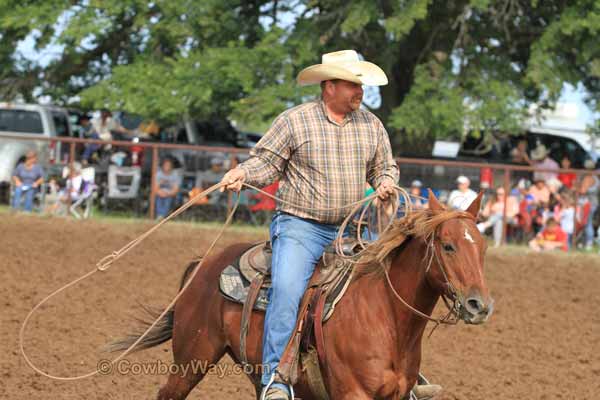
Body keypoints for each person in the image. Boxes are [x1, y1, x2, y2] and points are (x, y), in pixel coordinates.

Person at [219, 50, 423, 400]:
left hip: (349, 229)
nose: (360, 92)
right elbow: (266, 164)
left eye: (361, 85)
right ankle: (275, 379)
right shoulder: (295, 121)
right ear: (329, 86)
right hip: (300, 226)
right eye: (352, 85)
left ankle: (402, 374)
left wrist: (386, 181)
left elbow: (384, 166)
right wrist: (241, 172)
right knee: (287, 289)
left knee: (387, 290)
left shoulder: (371, 125)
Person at [578, 159, 599, 250]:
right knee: (587, 222)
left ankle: (588, 243)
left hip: (588, 204)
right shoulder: (596, 178)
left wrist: (576, 188)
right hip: (593, 203)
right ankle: (585, 242)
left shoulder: (588, 178)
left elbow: (582, 191)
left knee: (587, 223)